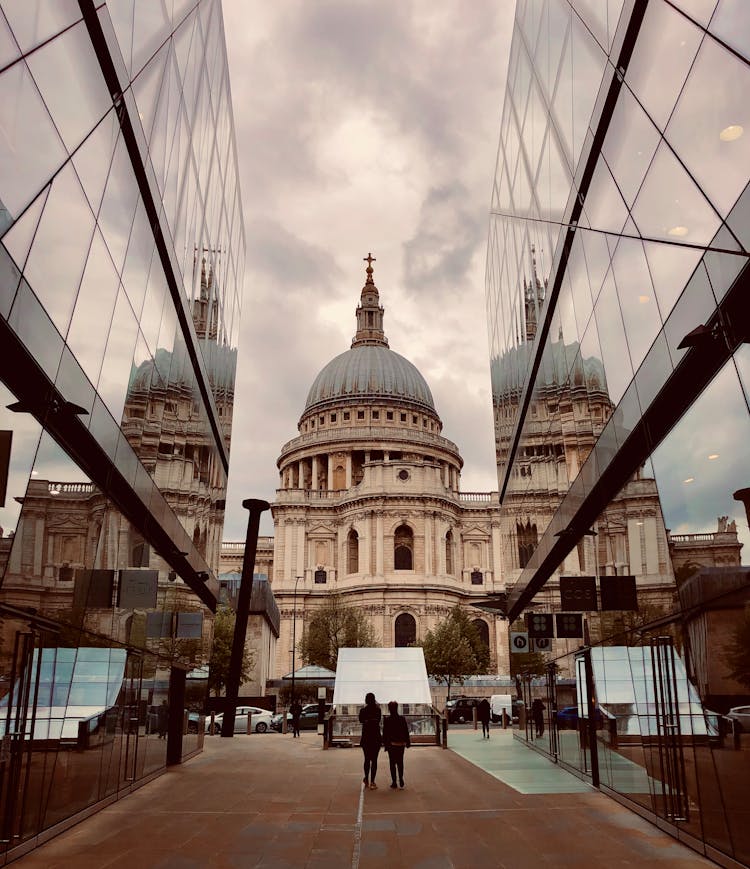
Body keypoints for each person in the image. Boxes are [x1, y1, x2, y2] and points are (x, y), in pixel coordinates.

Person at [382, 700, 410, 789]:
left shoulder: (387, 720)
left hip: (391, 744)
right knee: (400, 762)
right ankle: (401, 778)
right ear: (397, 708)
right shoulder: (402, 719)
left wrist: (385, 745)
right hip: (401, 744)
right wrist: (408, 742)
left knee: (392, 763)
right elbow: (406, 731)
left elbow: (385, 733)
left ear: (389, 709)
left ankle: (394, 782)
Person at [358, 692, 382, 790]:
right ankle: (373, 781)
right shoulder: (378, 710)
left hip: (366, 737)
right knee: (374, 760)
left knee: (367, 759)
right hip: (376, 737)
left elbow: (360, 720)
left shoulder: (363, 710)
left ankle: (366, 778)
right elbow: (378, 720)